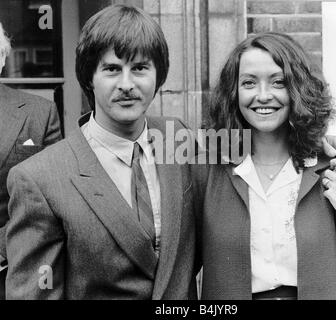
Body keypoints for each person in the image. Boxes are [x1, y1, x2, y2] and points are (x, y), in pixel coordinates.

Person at [5, 5, 198, 299]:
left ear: (159, 76)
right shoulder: (39, 179)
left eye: (139, 68)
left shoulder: (179, 138)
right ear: (89, 78)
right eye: (111, 69)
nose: (126, 84)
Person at [197, 32, 336, 300]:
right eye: (248, 83)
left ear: (297, 89)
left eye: (278, 82)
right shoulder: (206, 174)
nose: (263, 95)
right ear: (233, 92)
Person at [0, 21, 62, 299]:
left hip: (15, 273)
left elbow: (54, 198)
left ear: (2, 58)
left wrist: (2, 246)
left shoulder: (41, 113)